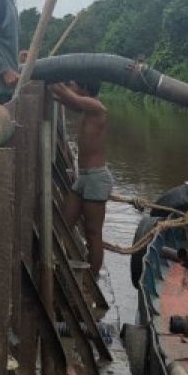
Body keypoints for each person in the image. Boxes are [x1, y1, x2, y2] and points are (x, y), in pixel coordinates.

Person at [51, 81, 112, 276]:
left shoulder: (96, 107)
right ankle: (55, 264)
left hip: (96, 178)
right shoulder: (86, 108)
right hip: (84, 177)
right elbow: (61, 96)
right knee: (63, 223)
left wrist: (45, 72)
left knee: (93, 233)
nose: (71, 86)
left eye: (73, 83)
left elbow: (66, 95)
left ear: (84, 87)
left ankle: (92, 278)